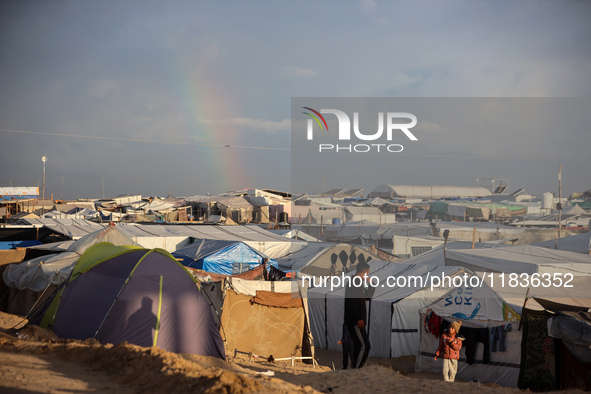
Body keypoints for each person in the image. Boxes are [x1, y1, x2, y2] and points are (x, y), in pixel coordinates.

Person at [344, 261, 374, 369]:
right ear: (364, 272)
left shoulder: (358, 283)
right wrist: (359, 319)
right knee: (364, 346)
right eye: (368, 273)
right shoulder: (354, 283)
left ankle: (355, 367)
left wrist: (371, 285)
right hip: (355, 321)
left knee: (359, 345)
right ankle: (357, 368)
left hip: (357, 320)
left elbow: (367, 297)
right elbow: (352, 303)